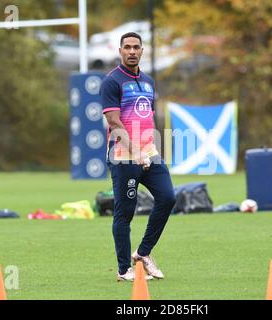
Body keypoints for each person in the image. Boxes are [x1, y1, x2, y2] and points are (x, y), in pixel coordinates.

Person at [100, 32, 176, 281]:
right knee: (125, 213)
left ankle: (143, 254)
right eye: (127, 47)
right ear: (120, 51)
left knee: (168, 198)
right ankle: (124, 269)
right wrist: (136, 153)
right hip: (124, 156)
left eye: (136, 47)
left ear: (142, 51)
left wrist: (149, 149)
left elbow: (146, 119)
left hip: (149, 153)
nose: (132, 51)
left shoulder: (149, 82)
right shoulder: (112, 81)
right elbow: (114, 121)